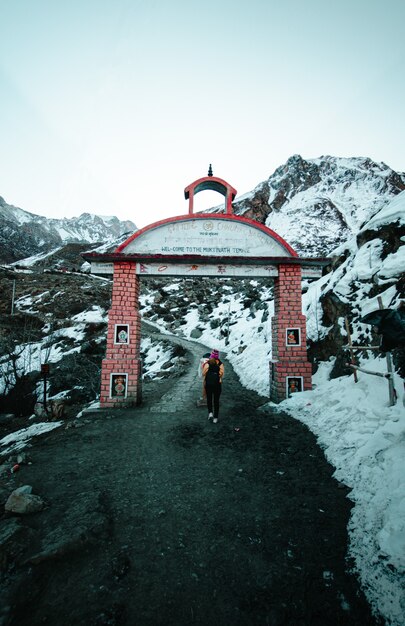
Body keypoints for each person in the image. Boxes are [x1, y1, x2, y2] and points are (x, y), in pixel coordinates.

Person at [202, 349, 224, 423]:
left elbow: (204, 373)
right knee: (216, 401)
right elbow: (221, 373)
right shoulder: (220, 364)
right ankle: (216, 417)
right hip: (217, 385)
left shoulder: (207, 363)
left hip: (208, 385)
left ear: (211, 356)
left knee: (209, 399)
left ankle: (210, 413)